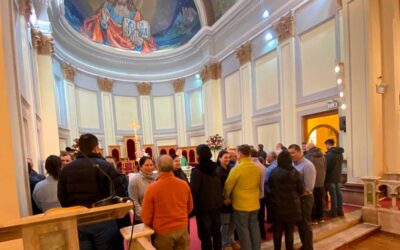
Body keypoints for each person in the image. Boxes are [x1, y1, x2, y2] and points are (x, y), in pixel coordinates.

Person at [58, 133, 127, 250]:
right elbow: (119, 194)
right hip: (104, 220)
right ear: (96, 148)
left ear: (79, 148)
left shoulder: (66, 169)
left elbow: (62, 197)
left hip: (79, 222)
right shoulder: (105, 166)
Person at [141, 155, 193, 250]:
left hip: (162, 232)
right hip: (182, 229)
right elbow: (190, 207)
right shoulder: (184, 184)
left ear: (157, 167)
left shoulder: (152, 188)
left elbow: (146, 217)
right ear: (172, 166)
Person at [224, 144, 262, 250]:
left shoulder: (237, 169)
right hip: (255, 203)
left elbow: (228, 187)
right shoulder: (257, 168)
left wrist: (226, 197)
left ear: (239, 154)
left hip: (241, 205)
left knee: (243, 230)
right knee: (254, 228)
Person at [81, 0, 157, 52]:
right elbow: (94, 26)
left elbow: (144, 40)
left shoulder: (136, 14)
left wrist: (139, 44)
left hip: (128, 51)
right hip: (107, 46)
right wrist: (103, 22)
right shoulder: (107, 7)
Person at [269, 150, 304, 250]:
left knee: (277, 232)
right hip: (292, 207)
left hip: (277, 207)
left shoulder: (274, 172)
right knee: (289, 233)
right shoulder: (295, 172)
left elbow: (271, 188)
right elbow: (300, 190)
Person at [190, 144, 223, 250]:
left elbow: (194, 191)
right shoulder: (216, 168)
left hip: (203, 208)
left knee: (205, 235)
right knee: (217, 232)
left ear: (198, 156)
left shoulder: (197, 171)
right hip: (217, 205)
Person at [288, 144, 316, 250]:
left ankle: (308, 247)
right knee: (300, 224)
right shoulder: (292, 164)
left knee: (305, 224)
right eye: (289, 153)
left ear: (300, 152)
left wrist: (294, 195)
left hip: (305, 199)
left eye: (293, 153)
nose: (291, 155)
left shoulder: (308, 165)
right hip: (296, 199)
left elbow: (308, 188)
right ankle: (304, 245)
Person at [216, 150, 239, 250]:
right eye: (225, 157)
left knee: (233, 223)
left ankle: (231, 241)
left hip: (233, 201)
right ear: (219, 158)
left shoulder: (231, 169)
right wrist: (223, 199)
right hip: (224, 202)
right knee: (225, 224)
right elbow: (217, 188)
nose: (228, 159)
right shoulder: (217, 171)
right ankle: (225, 244)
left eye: (229, 157)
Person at [128, 156, 156, 224]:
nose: (150, 167)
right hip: (141, 218)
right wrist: (145, 216)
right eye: (146, 165)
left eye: (151, 165)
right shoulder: (135, 181)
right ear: (140, 167)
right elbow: (134, 202)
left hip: (156, 216)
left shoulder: (157, 178)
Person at [304, 143, 326, 223]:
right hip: (320, 181)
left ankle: (313, 219)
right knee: (319, 200)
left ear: (309, 148)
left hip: (312, 181)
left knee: (311, 201)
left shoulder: (308, 156)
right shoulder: (322, 155)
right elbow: (325, 168)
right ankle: (320, 217)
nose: (305, 149)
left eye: (306, 148)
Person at [324, 139, 345, 217]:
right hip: (338, 177)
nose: (326, 147)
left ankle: (334, 212)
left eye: (326, 145)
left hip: (330, 177)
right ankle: (340, 211)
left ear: (328, 144)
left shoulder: (329, 154)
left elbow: (327, 167)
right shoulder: (340, 153)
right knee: (338, 194)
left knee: (333, 195)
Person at [251, 149, 266, 240]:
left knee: (254, 219)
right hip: (261, 194)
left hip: (254, 196)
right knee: (261, 217)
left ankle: (255, 237)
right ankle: (262, 233)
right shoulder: (261, 165)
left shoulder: (252, 165)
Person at [264, 151, 278, 229]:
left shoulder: (272, 167)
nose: (266, 158)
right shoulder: (276, 165)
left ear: (271, 157)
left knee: (271, 208)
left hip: (270, 190)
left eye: (267, 157)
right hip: (274, 190)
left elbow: (266, 179)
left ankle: (273, 223)